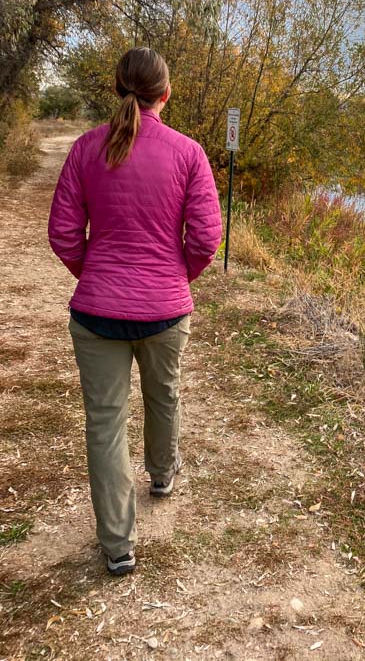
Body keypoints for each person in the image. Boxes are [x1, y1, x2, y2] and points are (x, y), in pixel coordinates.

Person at [48, 47, 222, 576]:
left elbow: (62, 235)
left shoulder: (84, 149)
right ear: (165, 95)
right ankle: (163, 475)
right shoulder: (188, 153)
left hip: (96, 314)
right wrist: (173, 280)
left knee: (105, 423)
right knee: (163, 395)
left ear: (117, 90)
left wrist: (97, 276)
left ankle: (117, 547)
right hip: (165, 312)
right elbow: (207, 238)